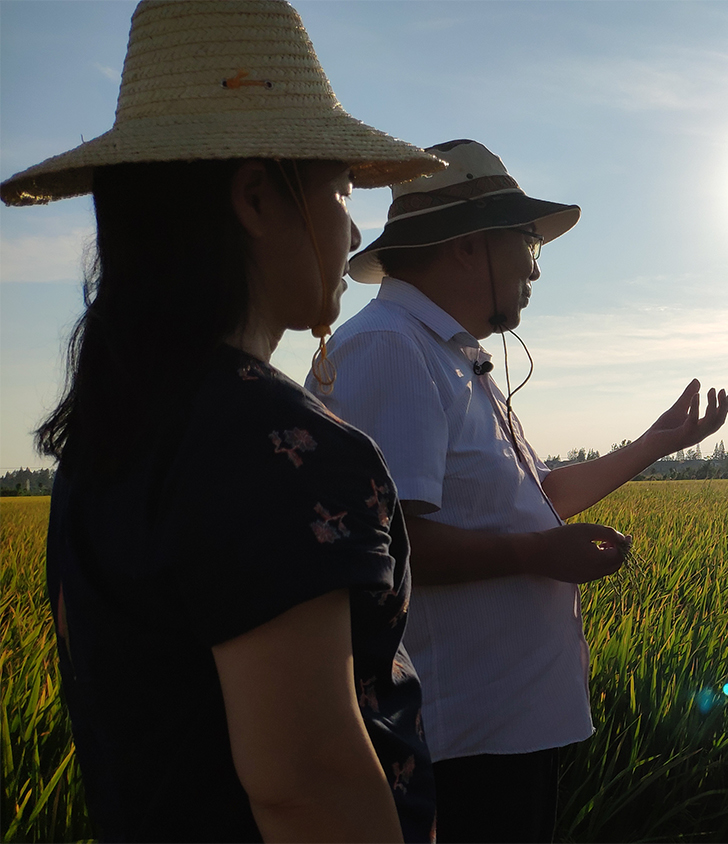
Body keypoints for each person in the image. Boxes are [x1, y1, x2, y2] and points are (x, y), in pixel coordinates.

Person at [2, 2, 446, 840]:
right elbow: (304, 784)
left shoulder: (113, 432)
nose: (354, 229)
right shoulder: (281, 450)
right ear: (254, 196)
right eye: (342, 188)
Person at [312, 138, 728, 843]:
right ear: (467, 247)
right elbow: (390, 542)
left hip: (501, 732)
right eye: (527, 246)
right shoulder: (391, 348)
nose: (534, 270)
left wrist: (656, 443)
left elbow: (537, 499)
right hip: (455, 743)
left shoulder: (448, 357)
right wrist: (540, 555)